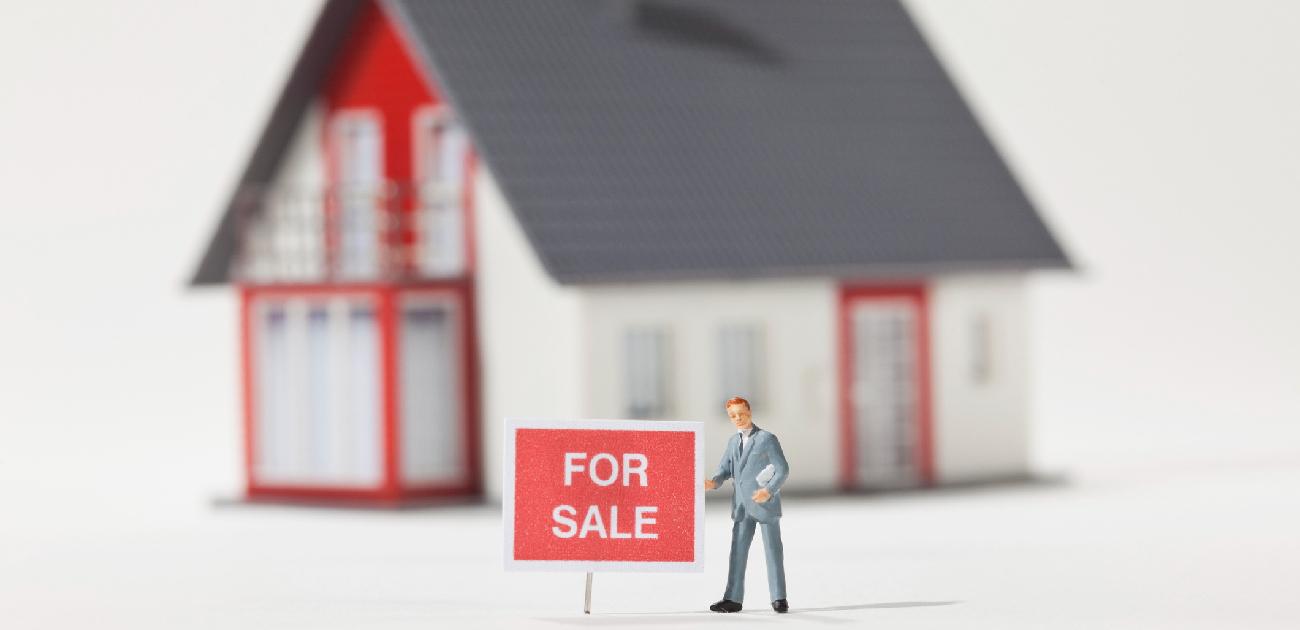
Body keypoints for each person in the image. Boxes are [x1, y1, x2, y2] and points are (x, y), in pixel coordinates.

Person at [703, 396, 789, 613]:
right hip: (742, 507)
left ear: (749, 411)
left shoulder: (767, 439)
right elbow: (725, 468)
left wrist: (768, 491)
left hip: (765, 504)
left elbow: (782, 469)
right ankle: (733, 598)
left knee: (772, 551)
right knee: (737, 552)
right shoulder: (733, 442)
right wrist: (714, 482)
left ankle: (779, 598)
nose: (738, 418)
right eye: (733, 415)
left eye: (741, 413)